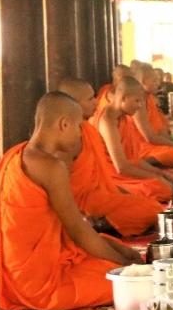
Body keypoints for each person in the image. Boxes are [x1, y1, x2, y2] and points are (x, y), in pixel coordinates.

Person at [0, 92, 143, 310]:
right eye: (78, 128)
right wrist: (124, 268)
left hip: (34, 262)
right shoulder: (51, 167)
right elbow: (77, 230)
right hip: (39, 282)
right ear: (64, 124)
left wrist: (118, 251)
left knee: (116, 252)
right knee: (133, 285)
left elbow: (70, 229)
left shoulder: (16, 155)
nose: (79, 136)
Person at [58, 79, 161, 237]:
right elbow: (64, 191)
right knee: (152, 209)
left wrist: (121, 194)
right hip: (85, 204)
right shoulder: (67, 140)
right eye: (90, 99)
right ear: (72, 105)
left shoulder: (87, 130)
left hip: (101, 193)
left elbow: (100, 174)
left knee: (152, 206)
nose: (96, 102)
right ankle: (98, 225)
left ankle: (105, 223)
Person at [93, 77, 173, 203]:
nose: (140, 106)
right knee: (162, 189)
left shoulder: (124, 118)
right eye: (137, 101)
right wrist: (157, 178)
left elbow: (133, 159)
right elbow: (121, 167)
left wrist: (160, 174)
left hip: (124, 172)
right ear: (123, 98)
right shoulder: (108, 122)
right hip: (111, 176)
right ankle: (119, 194)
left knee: (163, 184)